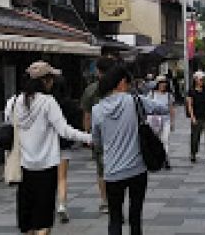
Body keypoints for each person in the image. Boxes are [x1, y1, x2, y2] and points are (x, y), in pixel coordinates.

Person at [5, 61, 92, 235]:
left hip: (23, 167)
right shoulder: (48, 102)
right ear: (46, 81)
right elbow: (64, 130)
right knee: (43, 218)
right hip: (46, 166)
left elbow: (8, 127)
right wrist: (89, 137)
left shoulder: (13, 102)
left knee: (27, 219)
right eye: (51, 78)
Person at [92, 66, 169, 235]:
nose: (128, 86)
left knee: (115, 218)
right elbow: (162, 108)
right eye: (127, 83)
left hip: (112, 172)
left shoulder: (96, 110)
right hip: (137, 170)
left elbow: (96, 141)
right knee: (135, 217)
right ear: (121, 83)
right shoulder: (135, 101)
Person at [80, 56, 116, 215]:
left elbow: (87, 115)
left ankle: (105, 201)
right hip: (118, 133)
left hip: (99, 134)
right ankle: (115, 198)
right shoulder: (120, 87)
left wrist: (87, 134)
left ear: (98, 71)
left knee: (101, 169)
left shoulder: (91, 89)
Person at [52, 76, 81, 224]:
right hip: (64, 144)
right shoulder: (69, 104)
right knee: (62, 177)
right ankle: (62, 205)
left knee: (48, 178)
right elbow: (76, 123)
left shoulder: (48, 103)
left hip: (47, 146)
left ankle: (47, 204)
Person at [148, 75, 175, 169]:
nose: (163, 85)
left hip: (166, 120)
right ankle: (156, 159)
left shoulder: (168, 95)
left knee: (165, 140)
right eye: (161, 83)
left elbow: (171, 109)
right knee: (156, 141)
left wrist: (172, 122)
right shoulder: (151, 94)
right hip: (154, 121)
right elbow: (147, 107)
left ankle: (165, 159)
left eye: (165, 83)